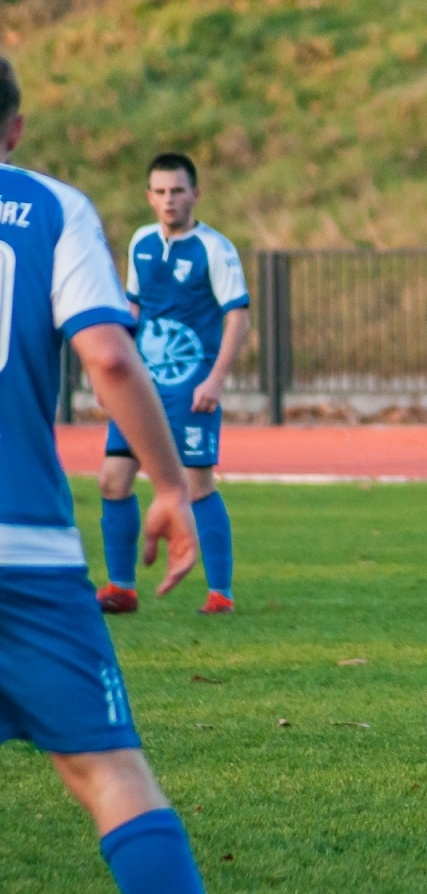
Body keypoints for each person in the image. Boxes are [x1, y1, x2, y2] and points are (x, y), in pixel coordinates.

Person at [0, 59, 338, 894]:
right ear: (13, 127)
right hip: (22, 551)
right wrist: (174, 486)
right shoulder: (52, 210)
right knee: (111, 772)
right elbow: (108, 355)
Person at [96, 152, 250, 616]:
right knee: (112, 480)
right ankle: (121, 588)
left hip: (190, 389)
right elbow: (134, 311)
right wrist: (113, 376)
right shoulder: (141, 243)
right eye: (160, 192)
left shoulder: (214, 249)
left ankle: (220, 592)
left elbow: (238, 318)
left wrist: (215, 380)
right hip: (141, 386)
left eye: (178, 191)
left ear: (195, 195)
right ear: (149, 197)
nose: (169, 200)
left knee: (197, 485)